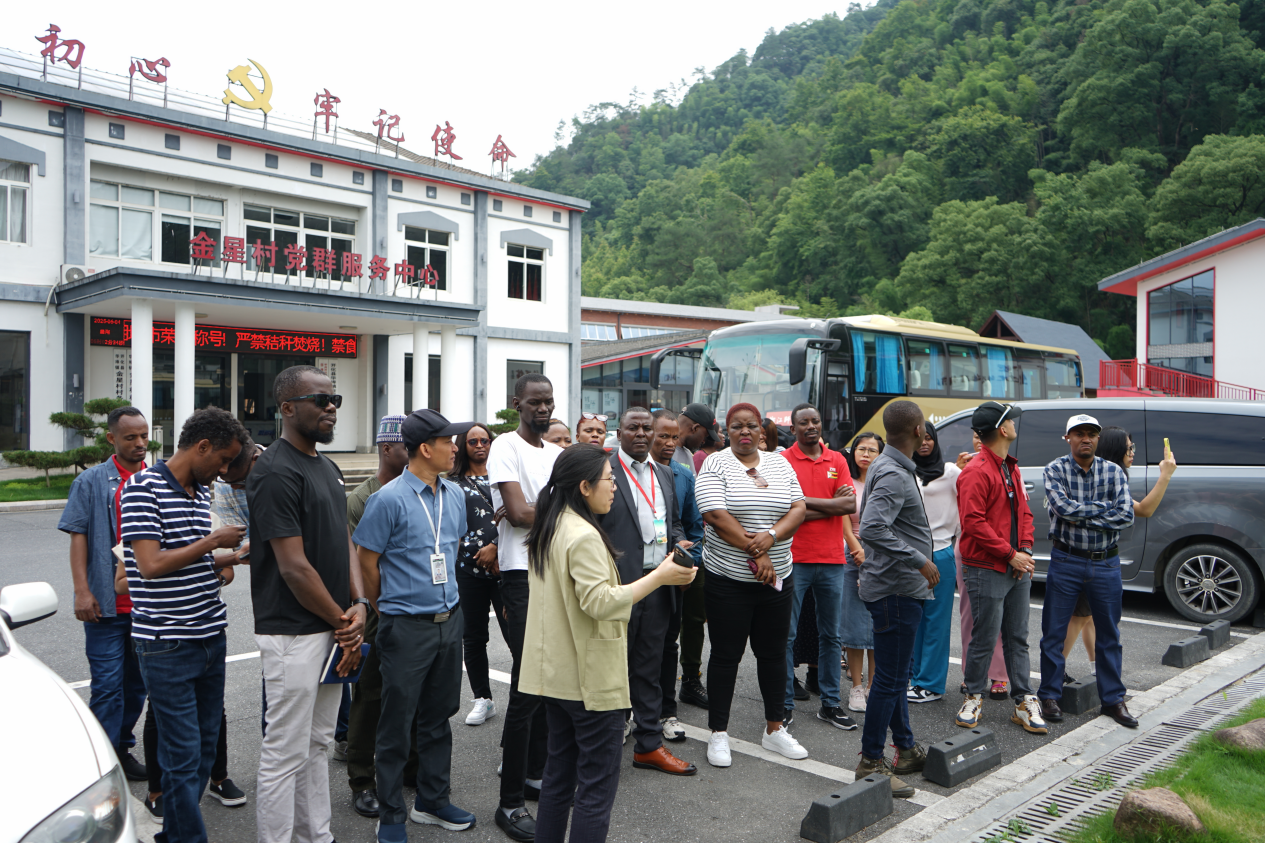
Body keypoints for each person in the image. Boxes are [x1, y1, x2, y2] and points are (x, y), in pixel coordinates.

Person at [519, 446, 697, 843]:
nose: (614, 486)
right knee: (595, 789)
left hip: (557, 675)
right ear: (584, 487)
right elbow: (599, 602)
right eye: (609, 479)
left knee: (558, 778)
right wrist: (660, 577)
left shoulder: (552, 524)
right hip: (589, 680)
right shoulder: (583, 534)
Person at [249, 366, 368, 843]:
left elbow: (344, 541)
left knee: (318, 743)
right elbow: (294, 568)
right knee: (284, 751)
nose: (331, 406)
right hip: (293, 633)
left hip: (333, 629)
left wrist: (360, 603)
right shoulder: (274, 471)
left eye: (334, 398)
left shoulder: (327, 467)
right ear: (287, 408)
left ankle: (317, 835)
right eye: (320, 400)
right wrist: (345, 622)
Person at [121, 407, 250, 843]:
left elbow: (189, 561)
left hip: (210, 635)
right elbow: (151, 565)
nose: (225, 470)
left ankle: (174, 835)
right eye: (223, 460)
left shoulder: (198, 491)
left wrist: (233, 557)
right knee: (183, 755)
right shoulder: (143, 488)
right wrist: (213, 541)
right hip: (167, 644)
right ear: (202, 446)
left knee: (202, 751)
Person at [355, 408, 477, 841]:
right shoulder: (387, 499)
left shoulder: (455, 494)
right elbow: (367, 562)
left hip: (449, 621)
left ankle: (432, 800)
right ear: (425, 448)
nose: (455, 448)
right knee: (396, 723)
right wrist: (387, 607)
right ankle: (392, 815)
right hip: (405, 626)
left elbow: (452, 544)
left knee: (439, 716)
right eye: (448, 442)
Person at [695, 402, 808, 767]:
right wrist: (756, 553)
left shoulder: (779, 463)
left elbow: (798, 508)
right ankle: (718, 733)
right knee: (726, 655)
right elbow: (715, 515)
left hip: (778, 579)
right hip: (728, 580)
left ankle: (775, 729)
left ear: (762, 430)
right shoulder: (716, 463)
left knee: (773, 654)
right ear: (725, 432)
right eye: (736, 426)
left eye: (751, 426)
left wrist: (770, 539)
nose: (744, 431)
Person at [596, 407, 694, 775]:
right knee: (611, 668)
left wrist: (679, 543)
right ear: (619, 432)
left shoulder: (666, 473)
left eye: (646, 428)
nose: (641, 434)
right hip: (618, 587)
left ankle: (649, 745)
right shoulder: (603, 471)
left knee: (649, 667)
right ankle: (604, 746)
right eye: (632, 428)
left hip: (659, 584)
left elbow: (673, 522)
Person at [488, 373, 564, 842]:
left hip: (555, 574)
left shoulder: (556, 454)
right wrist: (560, 507)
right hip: (521, 576)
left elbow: (574, 508)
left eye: (549, 401)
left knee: (547, 684)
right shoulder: (505, 446)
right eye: (535, 401)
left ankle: (535, 775)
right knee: (525, 686)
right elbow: (517, 515)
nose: (544, 408)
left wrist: (544, 509)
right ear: (517, 403)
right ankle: (510, 802)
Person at [59, 406, 151, 783]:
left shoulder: (155, 479)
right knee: (108, 687)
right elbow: (78, 537)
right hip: (105, 606)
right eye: (131, 437)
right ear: (112, 438)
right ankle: (102, 763)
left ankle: (120, 750)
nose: (140, 443)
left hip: (146, 605)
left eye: (144, 436)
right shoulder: (91, 481)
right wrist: (82, 591)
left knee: (137, 686)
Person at [855, 400, 939, 798]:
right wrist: (919, 559)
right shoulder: (891, 471)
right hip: (896, 589)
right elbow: (872, 527)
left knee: (896, 675)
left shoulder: (890, 465)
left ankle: (905, 749)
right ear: (919, 431)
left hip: (898, 588)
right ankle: (871, 762)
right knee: (889, 680)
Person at [1037, 414, 1139, 729]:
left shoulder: (1114, 471)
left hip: (1106, 562)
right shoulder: (1055, 469)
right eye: (1079, 433)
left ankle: (1113, 700)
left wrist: (1081, 514)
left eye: (1091, 434)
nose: (1086, 439)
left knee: (1109, 634)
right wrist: (1103, 508)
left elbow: (1126, 516)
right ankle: (1049, 695)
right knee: (1054, 633)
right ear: (1067, 437)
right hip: (1066, 560)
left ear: (1098, 439)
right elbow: (1062, 509)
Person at [955, 401, 1047, 736]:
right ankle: (973, 696)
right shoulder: (976, 471)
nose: (1015, 425)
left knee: (1017, 637)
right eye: (1011, 421)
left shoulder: (1010, 467)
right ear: (1002, 429)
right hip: (987, 567)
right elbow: (973, 523)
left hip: (1013, 563)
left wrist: (1024, 551)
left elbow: (1025, 513)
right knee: (984, 637)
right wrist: (1011, 555)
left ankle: (1024, 700)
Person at [1060, 426, 1177, 683]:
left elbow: (1134, 512)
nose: (1133, 453)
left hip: (1094, 556)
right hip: (1085, 557)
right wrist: (1165, 476)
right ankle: (1057, 670)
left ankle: (1095, 667)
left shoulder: (1109, 474)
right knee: (1080, 616)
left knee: (1088, 616)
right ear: (1115, 450)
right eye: (1129, 448)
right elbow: (1143, 510)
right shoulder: (1104, 477)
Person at [343, 415, 410, 820]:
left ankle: (411, 768)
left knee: (410, 692)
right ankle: (361, 780)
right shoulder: (363, 498)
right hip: (374, 609)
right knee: (369, 697)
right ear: (387, 448)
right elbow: (360, 560)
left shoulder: (417, 489)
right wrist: (372, 606)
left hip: (411, 608)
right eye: (406, 445)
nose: (414, 452)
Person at [781, 403, 857, 730]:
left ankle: (830, 704)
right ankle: (783, 705)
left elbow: (849, 504)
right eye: (804, 422)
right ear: (794, 429)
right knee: (787, 635)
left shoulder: (837, 459)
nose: (811, 426)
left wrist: (802, 504)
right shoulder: (783, 461)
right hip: (793, 558)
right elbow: (783, 507)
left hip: (832, 560)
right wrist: (830, 505)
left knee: (831, 636)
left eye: (815, 420)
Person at [649, 410, 708, 721]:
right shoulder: (626, 473)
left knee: (680, 632)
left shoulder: (683, 475)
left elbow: (693, 526)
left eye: (674, 437)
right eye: (663, 436)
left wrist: (688, 565)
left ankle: (679, 694)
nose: (670, 443)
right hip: (641, 570)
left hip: (679, 567)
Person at [453, 424, 509, 725]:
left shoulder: (504, 477)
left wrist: (496, 548)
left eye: (484, 440)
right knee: (473, 637)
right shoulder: (452, 482)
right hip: (467, 570)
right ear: (463, 445)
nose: (479, 445)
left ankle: (524, 699)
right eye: (472, 441)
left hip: (505, 568)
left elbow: (516, 516)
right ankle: (482, 698)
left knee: (514, 633)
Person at [907, 421, 961, 703]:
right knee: (914, 620)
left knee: (936, 622)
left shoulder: (951, 472)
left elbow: (967, 506)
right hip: (910, 555)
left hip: (940, 551)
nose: (925, 443)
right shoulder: (906, 470)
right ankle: (916, 678)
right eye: (921, 438)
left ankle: (931, 684)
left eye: (930, 438)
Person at [841, 432, 882, 712]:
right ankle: (856, 686)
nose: (866, 454)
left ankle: (873, 686)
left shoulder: (885, 481)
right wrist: (857, 549)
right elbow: (843, 521)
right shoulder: (846, 482)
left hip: (881, 555)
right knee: (855, 625)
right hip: (851, 553)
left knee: (879, 624)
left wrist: (872, 553)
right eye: (861, 449)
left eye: (872, 450)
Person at [676, 403, 721, 475]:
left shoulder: (688, 454)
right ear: (695, 428)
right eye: (705, 436)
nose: (703, 441)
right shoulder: (664, 451)